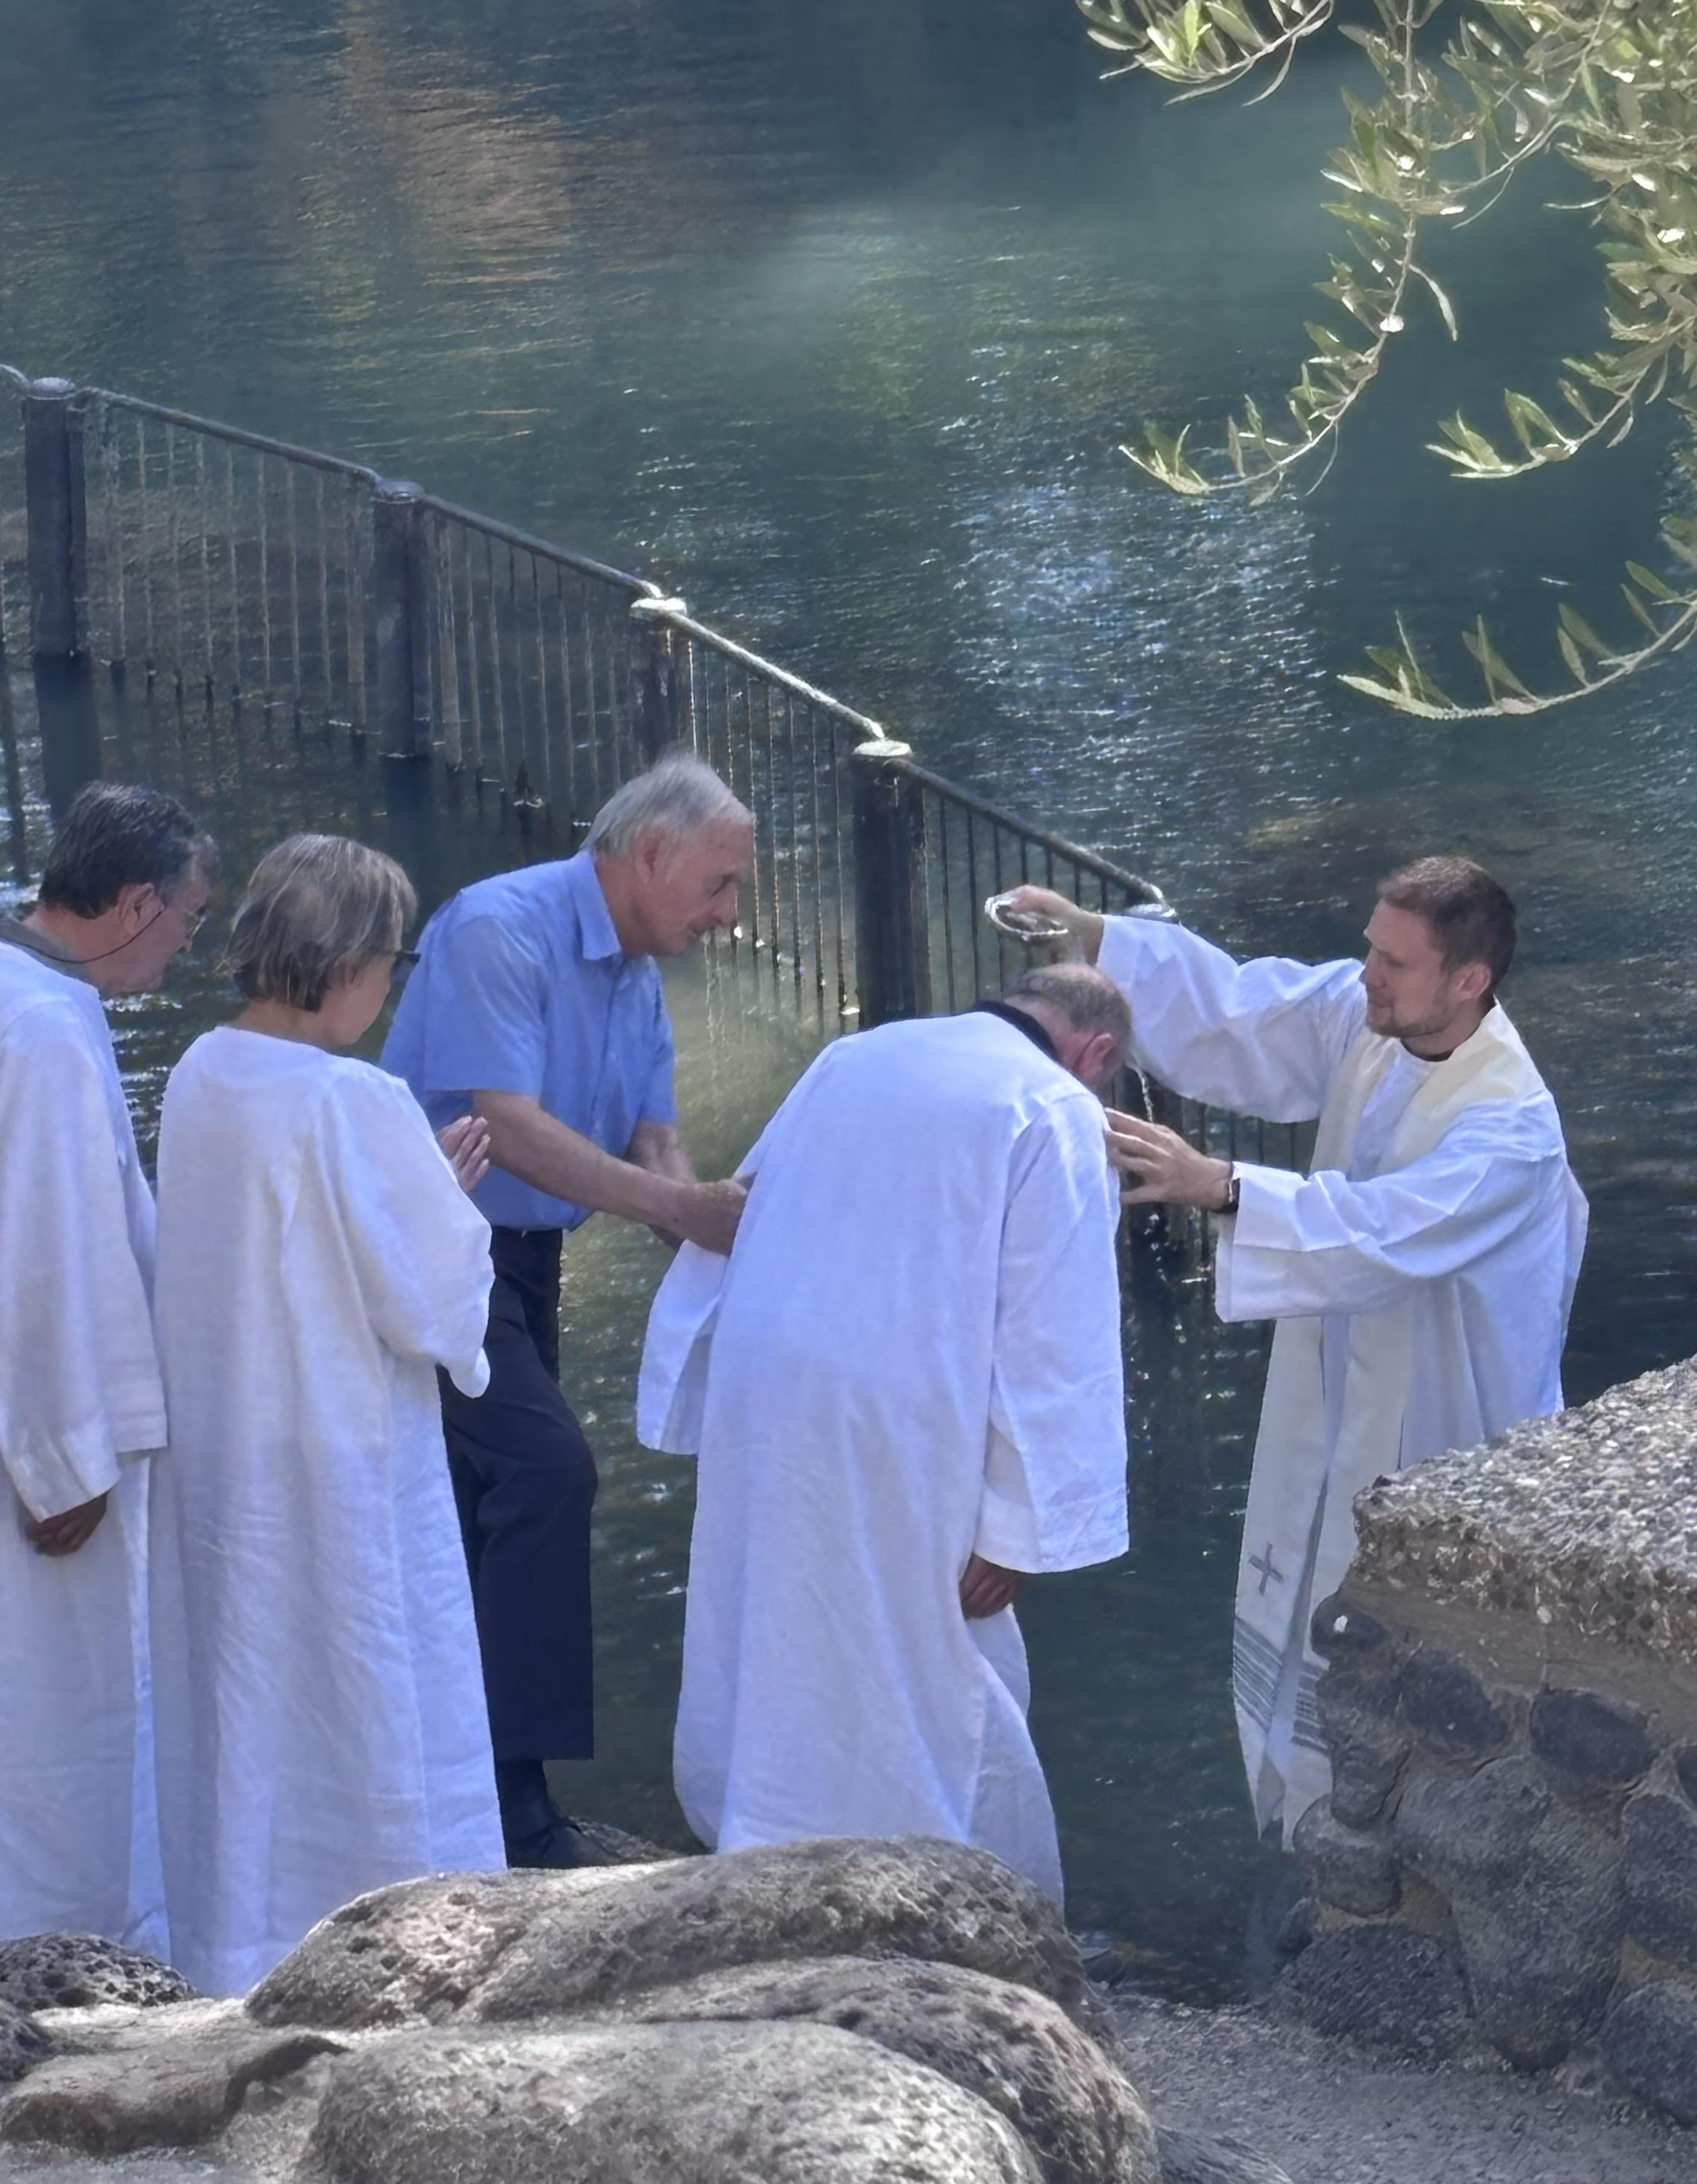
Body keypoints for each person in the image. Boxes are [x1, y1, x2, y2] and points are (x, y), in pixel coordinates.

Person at [1002, 859, 1586, 1841]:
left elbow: (1384, 1231)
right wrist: (1097, 937)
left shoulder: (1512, 1127)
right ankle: (1316, 1837)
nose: (1367, 973)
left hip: (1453, 1425)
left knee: (1431, 1685)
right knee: (1316, 1613)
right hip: (1343, 1385)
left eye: (1394, 960)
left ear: (1468, 981)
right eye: (1370, 946)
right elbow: (1244, 1009)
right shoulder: (1373, 1016)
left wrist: (1220, 1185)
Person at [637, 963, 1132, 1900]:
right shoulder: (1054, 1105)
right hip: (902, 1398)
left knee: (781, 1610)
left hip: (772, 1373)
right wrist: (1021, 1527)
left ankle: (762, 1837)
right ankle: (964, 1892)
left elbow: (747, 1203)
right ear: (1096, 1051)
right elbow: (1053, 1329)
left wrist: (705, 1366)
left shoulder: (853, 1053)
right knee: (935, 1648)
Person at [382, 755, 754, 1867]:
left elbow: (652, 1139)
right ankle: (518, 1804)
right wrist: (680, 1207)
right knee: (546, 1472)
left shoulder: (638, 972)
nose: (731, 915)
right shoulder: (499, 926)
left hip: (526, 1256)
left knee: (474, 1503)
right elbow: (513, 1126)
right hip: (433, 1244)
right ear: (650, 853)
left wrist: (713, 1221)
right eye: (721, 885)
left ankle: (461, 1782)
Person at [0, 780, 215, 1971]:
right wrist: (64, 1457)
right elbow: (46, 1252)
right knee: (45, 1718)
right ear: (130, 905)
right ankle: (55, 1960)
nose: (182, 953)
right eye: (184, 923)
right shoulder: (44, 1034)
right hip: (24, 1453)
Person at [151, 834, 504, 1991]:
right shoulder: (357, 1098)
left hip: (229, 1435)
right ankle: (397, 1925)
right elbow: (427, 1300)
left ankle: (237, 1936)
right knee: (367, 1673)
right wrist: (445, 1205)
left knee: (249, 1681)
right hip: (341, 1446)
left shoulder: (203, 1068)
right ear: (349, 963)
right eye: (389, 962)